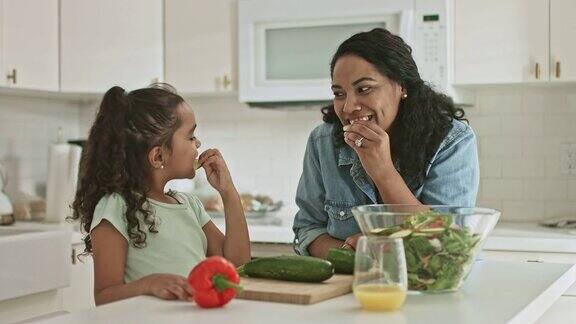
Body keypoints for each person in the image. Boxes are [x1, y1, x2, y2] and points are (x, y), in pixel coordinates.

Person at [292, 28, 479, 258]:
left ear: (402, 86)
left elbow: (449, 245)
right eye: (339, 93)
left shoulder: (451, 141)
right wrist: (356, 253)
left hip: (430, 289)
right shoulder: (323, 143)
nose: (349, 107)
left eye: (364, 89)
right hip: (350, 287)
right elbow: (308, 229)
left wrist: (383, 172)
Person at [70, 84, 250, 305]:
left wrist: (228, 192)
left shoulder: (189, 205)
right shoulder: (116, 207)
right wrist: (148, 284)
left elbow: (237, 266)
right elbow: (104, 296)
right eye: (191, 136)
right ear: (158, 157)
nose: (198, 143)